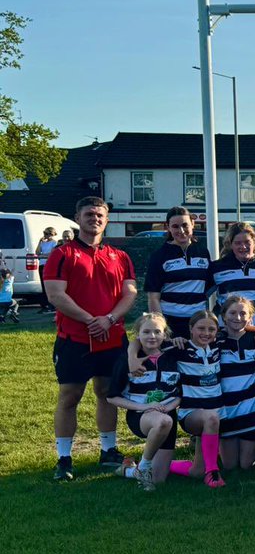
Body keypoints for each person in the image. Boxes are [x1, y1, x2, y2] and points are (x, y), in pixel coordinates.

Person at [44, 196, 137, 481]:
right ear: (78, 217)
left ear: (106, 220)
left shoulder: (119, 256)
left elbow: (130, 292)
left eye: (100, 215)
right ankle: (64, 458)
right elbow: (56, 294)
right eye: (89, 214)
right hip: (75, 338)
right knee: (69, 396)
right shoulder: (63, 254)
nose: (94, 218)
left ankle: (108, 451)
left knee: (108, 394)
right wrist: (90, 320)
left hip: (112, 336)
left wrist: (108, 319)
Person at [107, 313, 180, 491]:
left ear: (165, 334)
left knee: (159, 480)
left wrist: (169, 406)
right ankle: (145, 465)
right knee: (164, 421)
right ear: (138, 334)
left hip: (167, 412)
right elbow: (111, 396)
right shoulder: (128, 359)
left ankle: (130, 470)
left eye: (157, 331)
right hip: (140, 415)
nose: (152, 336)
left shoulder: (175, 354)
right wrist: (145, 407)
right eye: (146, 332)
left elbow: (183, 391)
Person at [161, 311, 226, 488]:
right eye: (201, 328)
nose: (206, 333)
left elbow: (240, 329)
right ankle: (212, 473)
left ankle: (162, 464)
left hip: (218, 412)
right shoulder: (179, 348)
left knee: (196, 471)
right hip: (192, 414)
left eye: (211, 329)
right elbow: (144, 341)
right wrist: (132, 354)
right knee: (211, 418)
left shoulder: (218, 345)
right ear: (190, 329)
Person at [216, 295, 255, 470]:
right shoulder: (214, 341)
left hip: (253, 411)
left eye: (242, 313)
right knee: (230, 466)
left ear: (250, 317)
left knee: (246, 466)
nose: (237, 318)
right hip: (226, 412)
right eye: (232, 313)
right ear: (223, 316)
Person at [144, 206, 213, 339]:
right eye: (175, 226)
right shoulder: (159, 256)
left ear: (193, 224)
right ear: (168, 227)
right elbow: (153, 297)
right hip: (171, 322)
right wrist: (162, 328)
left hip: (198, 321)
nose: (181, 230)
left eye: (185, 225)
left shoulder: (203, 252)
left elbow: (208, 287)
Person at [210, 221, 255, 328]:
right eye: (238, 243)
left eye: (247, 242)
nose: (243, 247)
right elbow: (201, 297)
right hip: (229, 331)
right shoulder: (217, 267)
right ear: (230, 244)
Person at [36, 226, 58, 312]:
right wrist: (39, 242)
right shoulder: (43, 243)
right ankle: (44, 304)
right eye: (45, 233)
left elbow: (51, 253)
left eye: (49, 234)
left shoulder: (54, 243)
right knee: (43, 285)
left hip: (49, 264)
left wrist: (42, 255)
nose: (47, 236)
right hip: (41, 264)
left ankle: (51, 304)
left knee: (49, 285)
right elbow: (37, 252)